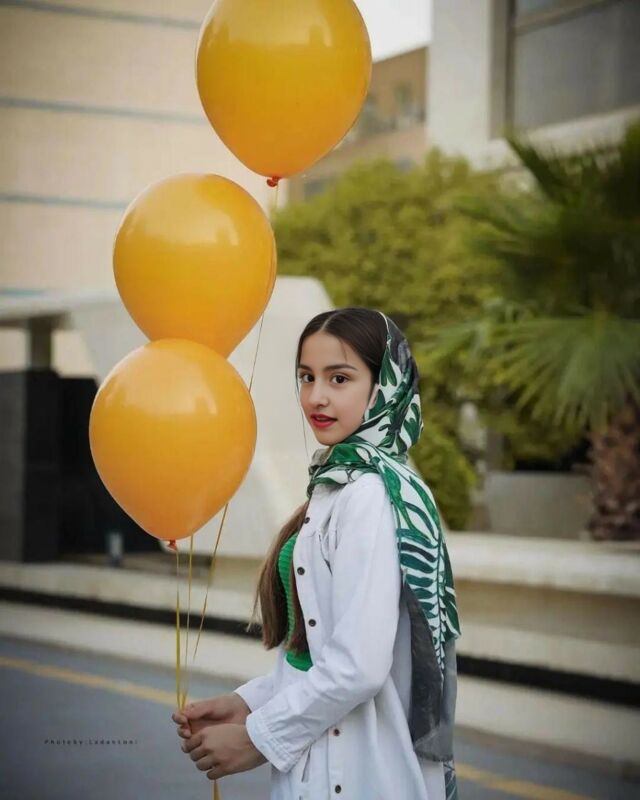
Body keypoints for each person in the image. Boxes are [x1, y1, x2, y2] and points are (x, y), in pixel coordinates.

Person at [172, 307, 461, 799]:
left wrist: (257, 739)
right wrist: (248, 704)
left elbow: (359, 667)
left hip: (361, 775)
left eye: (339, 378)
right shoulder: (338, 483)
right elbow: (323, 652)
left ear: (383, 387)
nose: (316, 396)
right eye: (306, 377)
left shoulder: (371, 494)